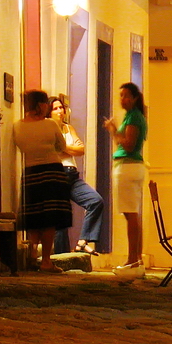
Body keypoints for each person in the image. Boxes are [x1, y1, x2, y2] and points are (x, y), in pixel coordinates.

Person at [13, 89, 71, 273]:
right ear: (40, 105)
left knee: (34, 216)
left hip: (30, 172)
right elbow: (61, 146)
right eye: (45, 102)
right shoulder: (51, 125)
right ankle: (46, 260)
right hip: (51, 171)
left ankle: (31, 255)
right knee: (49, 218)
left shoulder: (17, 126)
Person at [104, 82, 148, 278]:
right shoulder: (135, 116)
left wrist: (114, 130)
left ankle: (133, 259)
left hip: (128, 166)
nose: (122, 99)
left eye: (126, 96)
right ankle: (135, 258)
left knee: (131, 214)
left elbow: (129, 144)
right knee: (132, 213)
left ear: (135, 98)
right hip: (131, 167)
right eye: (120, 95)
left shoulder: (133, 117)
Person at [50, 95, 103, 255]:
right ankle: (61, 258)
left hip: (72, 175)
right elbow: (54, 149)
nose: (60, 111)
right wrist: (70, 146)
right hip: (57, 175)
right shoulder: (48, 129)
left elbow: (81, 150)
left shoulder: (68, 128)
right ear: (49, 112)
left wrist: (64, 147)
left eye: (61, 107)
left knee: (95, 201)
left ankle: (83, 240)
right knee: (61, 220)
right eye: (55, 108)